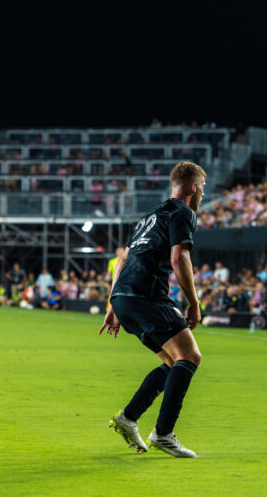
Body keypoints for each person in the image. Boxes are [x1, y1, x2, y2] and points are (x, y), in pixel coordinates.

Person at [100, 161, 206, 458]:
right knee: (190, 356)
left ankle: (128, 418)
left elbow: (122, 261)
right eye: (203, 189)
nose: (202, 195)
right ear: (194, 187)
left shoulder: (150, 215)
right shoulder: (183, 212)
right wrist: (194, 303)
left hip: (124, 295)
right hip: (146, 294)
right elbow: (178, 258)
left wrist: (113, 303)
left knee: (175, 363)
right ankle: (163, 433)